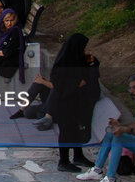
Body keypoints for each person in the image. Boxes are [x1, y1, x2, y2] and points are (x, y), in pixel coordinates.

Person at [20, 34, 100, 172]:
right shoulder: (63, 64)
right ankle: (63, 161)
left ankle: (78, 156)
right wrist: (77, 84)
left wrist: (92, 62)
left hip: (75, 102)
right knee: (66, 132)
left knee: (75, 130)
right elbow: (59, 85)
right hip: (63, 103)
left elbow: (91, 74)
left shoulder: (78, 60)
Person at [77, 73, 135, 182]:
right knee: (111, 133)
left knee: (119, 138)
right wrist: (120, 126)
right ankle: (97, 170)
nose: (131, 91)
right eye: (130, 88)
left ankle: (110, 179)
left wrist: (126, 130)